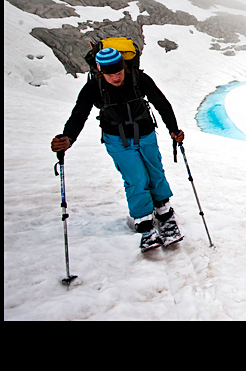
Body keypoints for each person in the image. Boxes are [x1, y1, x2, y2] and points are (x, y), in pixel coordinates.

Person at [50, 47, 186, 251]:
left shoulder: (139, 79)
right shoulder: (93, 87)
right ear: (100, 71)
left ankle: (164, 212)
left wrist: (173, 129)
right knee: (136, 177)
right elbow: (79, 114)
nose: (116, 77)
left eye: (119, 72)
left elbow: (161, 103)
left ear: (124, 67)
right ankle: (144, 221)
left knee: (155, 172)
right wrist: (68, 138)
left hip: (146, 133)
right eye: (110, 74)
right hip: (117, 139)